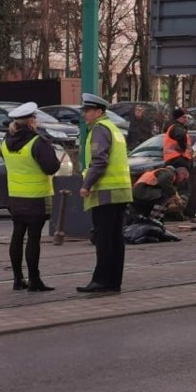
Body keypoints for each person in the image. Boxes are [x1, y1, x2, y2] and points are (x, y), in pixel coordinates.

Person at [0, 102, 61, 292]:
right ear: (31, 121)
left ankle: (18, 279)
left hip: (15, 196)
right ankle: (34, 280)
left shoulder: (5, 141)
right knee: (33, 239)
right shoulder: (37, 142)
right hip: (36, 197)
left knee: (17, 236)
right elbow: (51, 167)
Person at [77, 93, 133, 293]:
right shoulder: (114, 129)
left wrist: (87, 184)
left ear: (99, 112)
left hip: (105, 193)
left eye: (88, 110)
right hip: (121, 191)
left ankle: (101, 281)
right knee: (116, 238)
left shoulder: (100, 130)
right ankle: (113, 281)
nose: (85, 114)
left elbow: (99, 161)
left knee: (104, 238)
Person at [163, 106, 193, 206]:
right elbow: (180, 136)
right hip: (180, 160)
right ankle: (179, 208)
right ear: (179, 118)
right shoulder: (178, 128)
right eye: (184, 117)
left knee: (175, 185)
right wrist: (183, 148)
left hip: (172, 160)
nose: (186, 119)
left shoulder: (171, 128)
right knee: (183, 187)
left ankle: (174, 207)